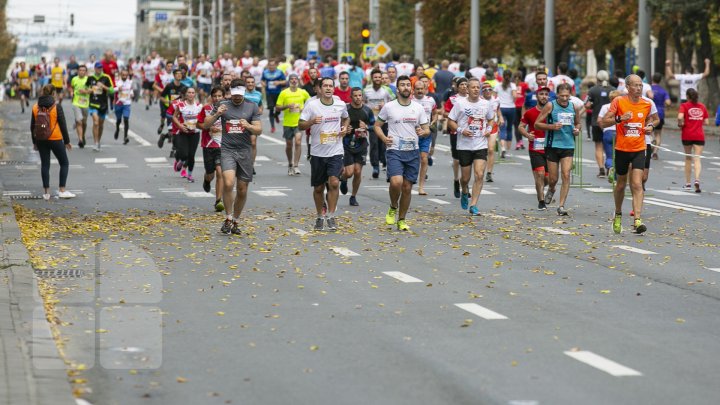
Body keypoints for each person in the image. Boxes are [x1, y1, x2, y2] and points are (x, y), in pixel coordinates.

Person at [600, 75, 659, 234]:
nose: (639, 88)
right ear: (627, 87)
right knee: (620, 185)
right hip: (622, 149)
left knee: (637, 184)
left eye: (640, 85)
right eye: (635, 85)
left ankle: (638, 220)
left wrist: (651, 127)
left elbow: (656, 119)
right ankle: (618, 213)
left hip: (639, 148)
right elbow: (603, 122)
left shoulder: (647, 103)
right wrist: (619, 119)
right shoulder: (618, 102)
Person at [204, 80, 263, 235]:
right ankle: (228, 218)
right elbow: (205, 124)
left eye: (240, 95)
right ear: (230, 92)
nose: (237, 98)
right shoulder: (222, 104)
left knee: (242, 189)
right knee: (229, 183)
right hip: (227, 150)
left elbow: (259, 130)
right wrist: (217, 114)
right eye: (235, 95)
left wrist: (249, 126)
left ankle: (236, 220)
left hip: (244, 151)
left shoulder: (252, 106)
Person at [374, 75, 430, 231]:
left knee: (406, 188)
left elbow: (426, 129)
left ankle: (402, 219)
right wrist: (384, 138)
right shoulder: (389, 107)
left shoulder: (418, 108)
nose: (406, 87)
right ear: (397, 89)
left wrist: (422, 132)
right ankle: (393, 206)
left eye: (408, 85)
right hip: (395, 150)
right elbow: (377, 125)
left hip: (412, 151)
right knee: (396, 182)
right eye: (402, 85)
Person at [299, 77, 350, 232]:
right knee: (319, 187)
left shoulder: (340, 104)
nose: (328, 88)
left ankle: (331, 215)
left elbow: (346, 118)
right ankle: (320, 216)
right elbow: (300, 125)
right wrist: (311, 122)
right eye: (325, 86)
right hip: (317, 152)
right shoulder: (312, 105)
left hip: (336, 150)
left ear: (334, 88)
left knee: (334, 182)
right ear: (320, 89)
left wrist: (344, 128)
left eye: (330, 86)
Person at [447, 77, 495, 215]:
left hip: (480, 144)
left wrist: (489, 129)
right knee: (465, 178)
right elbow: (450, 121)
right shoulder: (460, 104)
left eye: (477, 87)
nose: (475, 89)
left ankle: (473, 205)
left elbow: (491, 119)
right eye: (472, 87)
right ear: (467, 89)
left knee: (479, 175)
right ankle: (464, 190)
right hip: (464, 145)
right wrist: (461, 130)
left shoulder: (486, 104)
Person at [534, 83, 581, 216]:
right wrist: (552, 126)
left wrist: (577, 129)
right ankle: (552, 189)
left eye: (567, 95)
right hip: (552, 145)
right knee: (553, 179)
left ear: (570, 95)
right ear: (557, 95)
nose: (564, 98)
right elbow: (537, 124)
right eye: (562, 96)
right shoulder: (551, 105)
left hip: (568, 145)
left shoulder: (574, 107)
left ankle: (561, 206)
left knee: (566, 175)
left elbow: (578, 122)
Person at [31, 84, 75, 200]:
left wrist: (34, 142)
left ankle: (46, 193)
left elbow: (32, 127)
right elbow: (63, 125)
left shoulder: (35, 107)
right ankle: (62, 190)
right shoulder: (56, 107)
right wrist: (67, 141)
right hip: (55, 138)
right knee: (64, 162)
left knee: (45, 164)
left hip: (41, 139)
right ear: (54, 94)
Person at [518, 86, 551, 210]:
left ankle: (541, 187)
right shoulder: (530, 112)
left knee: (549, 178)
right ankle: (541, 201)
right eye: (541, 94)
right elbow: (521, 126)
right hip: (535, 147)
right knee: (540, 174)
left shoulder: (551, 111)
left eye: (546, 94)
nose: (544, 96)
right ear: (537, 96)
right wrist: (527, 135)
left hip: (549, 147)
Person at [341, 87, 374, 206]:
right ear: (351, 97)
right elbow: (338, 123)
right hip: (346, 144)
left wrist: (366, 127)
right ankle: (344, 179)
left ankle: (353, 196)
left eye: (360, 95)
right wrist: (344, 128)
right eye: (355, 96)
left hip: (361, 144)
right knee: (349, 172)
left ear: (362, 97)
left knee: (358, 171)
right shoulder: (345, 109)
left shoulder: (367, 110)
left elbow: (375, 126)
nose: (358, 98)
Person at [198, 86, 226, 212]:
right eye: (215, 96)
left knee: (220, 172)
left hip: (222, 145)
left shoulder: (228, 110)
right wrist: (209, 128)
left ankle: (218, 201)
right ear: (211, 97)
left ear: (223, 97)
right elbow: (199, 124)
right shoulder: (206, 109)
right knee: (211, 173)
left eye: (220, 96)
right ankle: (206, 180)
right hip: (208, 145)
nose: (217, 98)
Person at [276, 73, 311, 175]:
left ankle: (296, 165)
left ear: (298, 81)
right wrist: (287, 106)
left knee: (298, 142)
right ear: (289, 81)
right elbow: (277, 107)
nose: (294, 81)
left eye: (296, 79)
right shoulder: (284, 93)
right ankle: (290, 164)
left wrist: (303, 109)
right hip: (287, 122)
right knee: (289, 144)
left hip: (299, 122)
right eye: (292, 79)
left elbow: (310, 103)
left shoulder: (303, 92)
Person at [364, 69, 395, 179]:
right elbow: (362, 103)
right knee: (374, 144)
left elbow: (395, 101)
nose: (377, 79)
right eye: (375, 77)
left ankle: (386, 163)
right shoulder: (366, 90)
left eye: (379, 77)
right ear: (372, 78)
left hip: (385, 121)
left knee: (384, 144)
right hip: (372, 121)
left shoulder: (386, 90)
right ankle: (375, 166)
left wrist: (385, 106)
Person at [678, 88, 709, 193]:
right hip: (699, 135)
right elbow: (707, 122)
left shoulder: (684, 106)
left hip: (687, 135)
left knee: (688, 159)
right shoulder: (702, 106)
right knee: (697, 158)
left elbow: (680, 117)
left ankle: (687, 183)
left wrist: (681, 123)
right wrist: (698, 123)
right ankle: (697, 179)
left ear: (687, 96)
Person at [586, 70, 614, 177]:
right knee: (610, 146)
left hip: (596, 121)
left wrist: (594, 104)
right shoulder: (613, 90)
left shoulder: (593, 90)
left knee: (598, 146)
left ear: (597, 79)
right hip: (611, 123)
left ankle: (601, 168)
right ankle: (610, 166)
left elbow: (587, 104)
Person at [413, 79, 438, 196]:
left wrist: (432, 123)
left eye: (421, 89)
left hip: (426, 133)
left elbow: (435, 112)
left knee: (424, 158)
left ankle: (421, 187)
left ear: (425, 89)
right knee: (413, 159)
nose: (419, 91)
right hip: (412, 134)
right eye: (417, 89)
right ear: (414, 90)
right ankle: (410, 178)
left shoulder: (430, 100)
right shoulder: (410, 100)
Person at [172, 87, 203, 183]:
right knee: (184, 154)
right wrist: (180, 126)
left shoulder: (199, 106)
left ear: (195, 94)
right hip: (183, 132)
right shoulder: (181, 105)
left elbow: (203, 119)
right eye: (189, 92)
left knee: (191, 156)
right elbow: (174, 117)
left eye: (192, 93)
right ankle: (181, 161)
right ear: (186, 94)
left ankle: (189, 175)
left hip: (195, 133)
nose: (190, 94)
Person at [444, 77, 469, 196]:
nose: (464, 86)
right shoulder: (453, 99)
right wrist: (454, 116)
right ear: (457, 87)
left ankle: (465, 184)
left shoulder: (474, 99)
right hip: (455, 131)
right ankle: (456, 180)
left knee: (467, 160)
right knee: (457, 159)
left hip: (469, 132)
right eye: (462, 85)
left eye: (466, 84)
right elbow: (445, 112)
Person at [86, 62, 115, 151]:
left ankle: (98, 141)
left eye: (101, 68)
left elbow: (112, 91)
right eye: (98, 68)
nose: (100, 69)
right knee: (96, 122)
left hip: (103, 104)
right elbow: (86, 88)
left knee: (101, 124)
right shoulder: (90, 78)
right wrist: (90, 90)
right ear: (95, 68)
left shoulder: (106, 77)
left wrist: (103, 86)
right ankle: (95, 143)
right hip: (93, 103)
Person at [495, 69, 517, 156]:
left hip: (501, 108)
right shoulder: (513, 85)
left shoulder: (498, 85)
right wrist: (513, 101)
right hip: (511, 108)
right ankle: (507, 151)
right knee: (509, 128)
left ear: (503, 76)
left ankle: (503, 147)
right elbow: (515, 95)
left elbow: (494, 96)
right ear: (510, 76)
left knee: (502, 127)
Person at [262, 59, 286, 133]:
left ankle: (276, 115)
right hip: (269, 93)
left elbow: (285, 81)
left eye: (273, 65)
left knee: (279, 108)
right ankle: (272, 127)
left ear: (275, 65)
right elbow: (262, 80)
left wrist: (279, 82)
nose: (271, 66)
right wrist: (264, 84)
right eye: (270, 65)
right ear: (268, 66)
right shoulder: (265, 72)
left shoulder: (279, 72)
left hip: (278, 93)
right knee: (271, 109)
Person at [650, 73, 671, 160]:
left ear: (652, 79)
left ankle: (651, 141)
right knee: (658, 134)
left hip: (650, 113)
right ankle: (655, 152)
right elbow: (668, 102)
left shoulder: (648, 88)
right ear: (660, 80)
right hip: (660, 114)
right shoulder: (663, 91)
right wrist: (667, 106)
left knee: (649, 132)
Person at [69, 65, 90, 148]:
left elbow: (93, 90)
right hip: (76, 103)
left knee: (84, 123)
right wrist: (71, 92)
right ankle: (80, 139)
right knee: (79, 121)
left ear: (86, 72)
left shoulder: (88, 79)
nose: (82, 72)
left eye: (83, 70)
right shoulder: (74, 79)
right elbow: (71, 87)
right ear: (78, 71)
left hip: (85, 103)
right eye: (80, 70)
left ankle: (83, 135)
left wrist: (85, 91)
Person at [112, 68, 134, 145]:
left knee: (126, 119)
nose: (124, 76)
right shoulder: (117, 82)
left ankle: (125, 137)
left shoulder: (130, 82)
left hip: (127, 103)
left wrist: (131, 93)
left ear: (127, 75)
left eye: (126, 75)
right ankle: (117, 129)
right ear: (121, 75)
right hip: (118, 103)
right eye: (123, 75)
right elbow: (112, 90)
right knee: (118, 120)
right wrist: (118, 88)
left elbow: (131, 89)